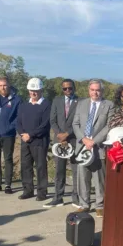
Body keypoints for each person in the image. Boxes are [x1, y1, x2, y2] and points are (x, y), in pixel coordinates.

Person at [72, 79, 114, 218]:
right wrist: (84, 139)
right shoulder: (81, 104)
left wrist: (94, 141)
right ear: (88, 90)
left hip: (98, 147)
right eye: (92, 90)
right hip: (82, 146)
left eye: (98, 90)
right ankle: (84, 205)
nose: (95, 92)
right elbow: (75, 124)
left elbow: (109, 126)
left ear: (102, 91)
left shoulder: (109, 105)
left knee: (99, 178)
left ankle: (100, 205)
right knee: (82, 177)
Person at [16, 78, 51, 201]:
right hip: (25, 141)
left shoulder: (46, 105)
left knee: (41, 167)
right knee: (26, 166)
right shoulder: (24, 105)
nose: (33, 93)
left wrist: (30, 134)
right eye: (31, 91)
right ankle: (28, 190)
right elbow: (18, 122)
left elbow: (45, 125)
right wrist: (22, 134)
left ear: (41, 90)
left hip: (39, 141)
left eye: (36, 91)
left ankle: (42, 192)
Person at [46, 79, 80, 208]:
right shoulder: (56, 101)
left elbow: (80, 121)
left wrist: (67, 133)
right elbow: (52, 120)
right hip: (59, 140)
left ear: (74, 88)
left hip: (73, 140)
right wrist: (59, 134)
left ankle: (76, 197)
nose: (67, 91)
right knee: (59, 169)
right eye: (64, 89)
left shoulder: (80, 102)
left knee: (76, 170)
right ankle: (58, 197)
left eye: (70, 88)